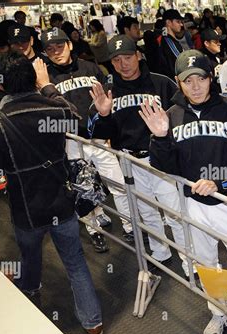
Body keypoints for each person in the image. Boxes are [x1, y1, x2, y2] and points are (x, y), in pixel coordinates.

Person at [0, 52, 104, 334]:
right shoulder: (55, 110)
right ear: (33, 78)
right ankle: (93, 323)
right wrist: (48, 86)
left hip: (26, 208)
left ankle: (31, 296)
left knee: (30, 255)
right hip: (62, 202)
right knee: (75, 262)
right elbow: (78, 121)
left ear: (0, 85)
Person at [139, 50, 227, 334]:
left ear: (210, 77)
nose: (195, 86)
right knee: (205, 264)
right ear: (178, 83)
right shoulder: (172, 115)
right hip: (193, 203)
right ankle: (219, 311)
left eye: (200, 78)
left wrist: (217, 180)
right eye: (187, 80)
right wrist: (161, 137)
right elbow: (165, 166)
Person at [88, 35, 186, 269]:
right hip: (129, 159)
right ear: (111, 63)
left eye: (128, 57)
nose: (124, 64)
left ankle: (189, 261)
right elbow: (100, 133)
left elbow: (182, 116)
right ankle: (160, 253)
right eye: (117, 60)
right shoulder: (109, 91)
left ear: (138, 55)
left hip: (161, 157)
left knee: (175, 214)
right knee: (146, 211)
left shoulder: (161, 83)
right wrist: (103, 115)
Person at [41, 27, 133, 252]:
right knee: (83, 189)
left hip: (99, 137)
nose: (56, 51)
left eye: (60, 46)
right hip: (71, 141)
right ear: (45, 52)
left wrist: (110, 129)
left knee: (118, 183)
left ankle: (130, 226)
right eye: (50, 48)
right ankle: (94, 229)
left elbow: (109, 98)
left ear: (70, 45)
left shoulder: (90, 67)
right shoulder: (46, 79)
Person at [159, 9, 185, 80]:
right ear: (168, 22)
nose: (181, 24)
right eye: (178, 22)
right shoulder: (168, 42)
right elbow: (181, 61)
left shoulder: (168, 40)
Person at [200, 28, 226, 93]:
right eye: (216, 41)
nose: (219, 43)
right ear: (206, 43)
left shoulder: (215, 55)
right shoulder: (202, 60)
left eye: (219, 41)